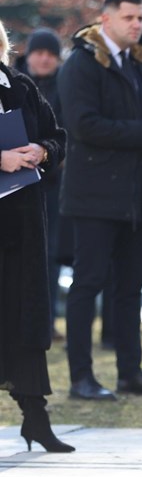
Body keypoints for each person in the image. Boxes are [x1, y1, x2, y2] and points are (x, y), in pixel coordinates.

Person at [58, 0, 142, 401]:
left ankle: (131, 374)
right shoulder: (80, 63)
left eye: (141, 18)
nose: (136, 24)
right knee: (88, 284)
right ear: (105, 19)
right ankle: (82, 379)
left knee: (130, 288)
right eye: (128, 17)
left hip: (141, 195)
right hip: (94, 195)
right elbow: (82, 125)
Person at [0, 20, 73, 452]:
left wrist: (42, 150)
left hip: (23, 226)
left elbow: (57, 134)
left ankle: (36, 420)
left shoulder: (21, 86)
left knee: (26, 321)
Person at [14, 27, 65, 342]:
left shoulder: (67, 88)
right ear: (27, 54)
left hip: (51, 183)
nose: (44, 59)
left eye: (51, 54)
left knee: (49, 253)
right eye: (39, 52)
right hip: (11, 179)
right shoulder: (12, 84)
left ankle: (45, 320)